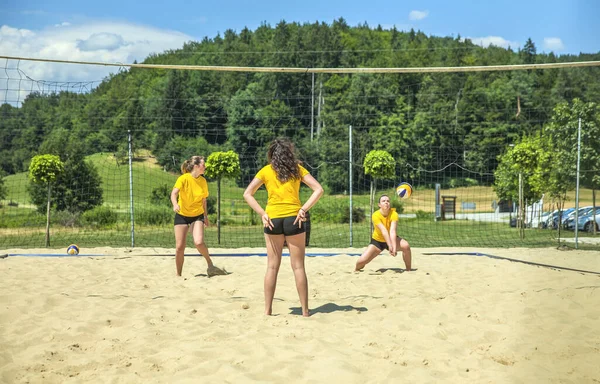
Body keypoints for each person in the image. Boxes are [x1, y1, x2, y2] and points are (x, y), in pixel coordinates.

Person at [243, 138, 323, 317]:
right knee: (298, 267)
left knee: (272, 267)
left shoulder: (266, 171)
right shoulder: (297, 170)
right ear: (289, 153)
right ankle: (305, 311)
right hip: (293, 218)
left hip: (273, 219)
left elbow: (247, 194)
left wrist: (262, 213)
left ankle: (267, 310)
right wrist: (303, 209)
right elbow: (318, 189)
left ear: (272, 154)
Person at [171, 155, 225, 277]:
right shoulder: (183, 178)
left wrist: (205, 217)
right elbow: (174, 193)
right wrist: (175, 204)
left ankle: (210, 265)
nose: (205, 167)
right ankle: (178, 275)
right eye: (203, 165)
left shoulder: (203, 181)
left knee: (199, 242)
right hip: (182, 214)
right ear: (196, 166)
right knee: (180, 246)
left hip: (197, 215)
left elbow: (203, 201)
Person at [355, 194, 412, 272]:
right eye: (383, 201)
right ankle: (356, 269)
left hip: (391, 239)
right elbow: (384, 231)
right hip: (378, 241)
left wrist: (394, 247)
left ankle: (408, 270)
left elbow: (392, 231)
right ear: (379, 205)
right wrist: (390, 245)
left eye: (388, 201)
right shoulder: (375, 215)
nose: (386, 202)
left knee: (406, 246)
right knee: (361, 262)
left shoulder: (394, 214)